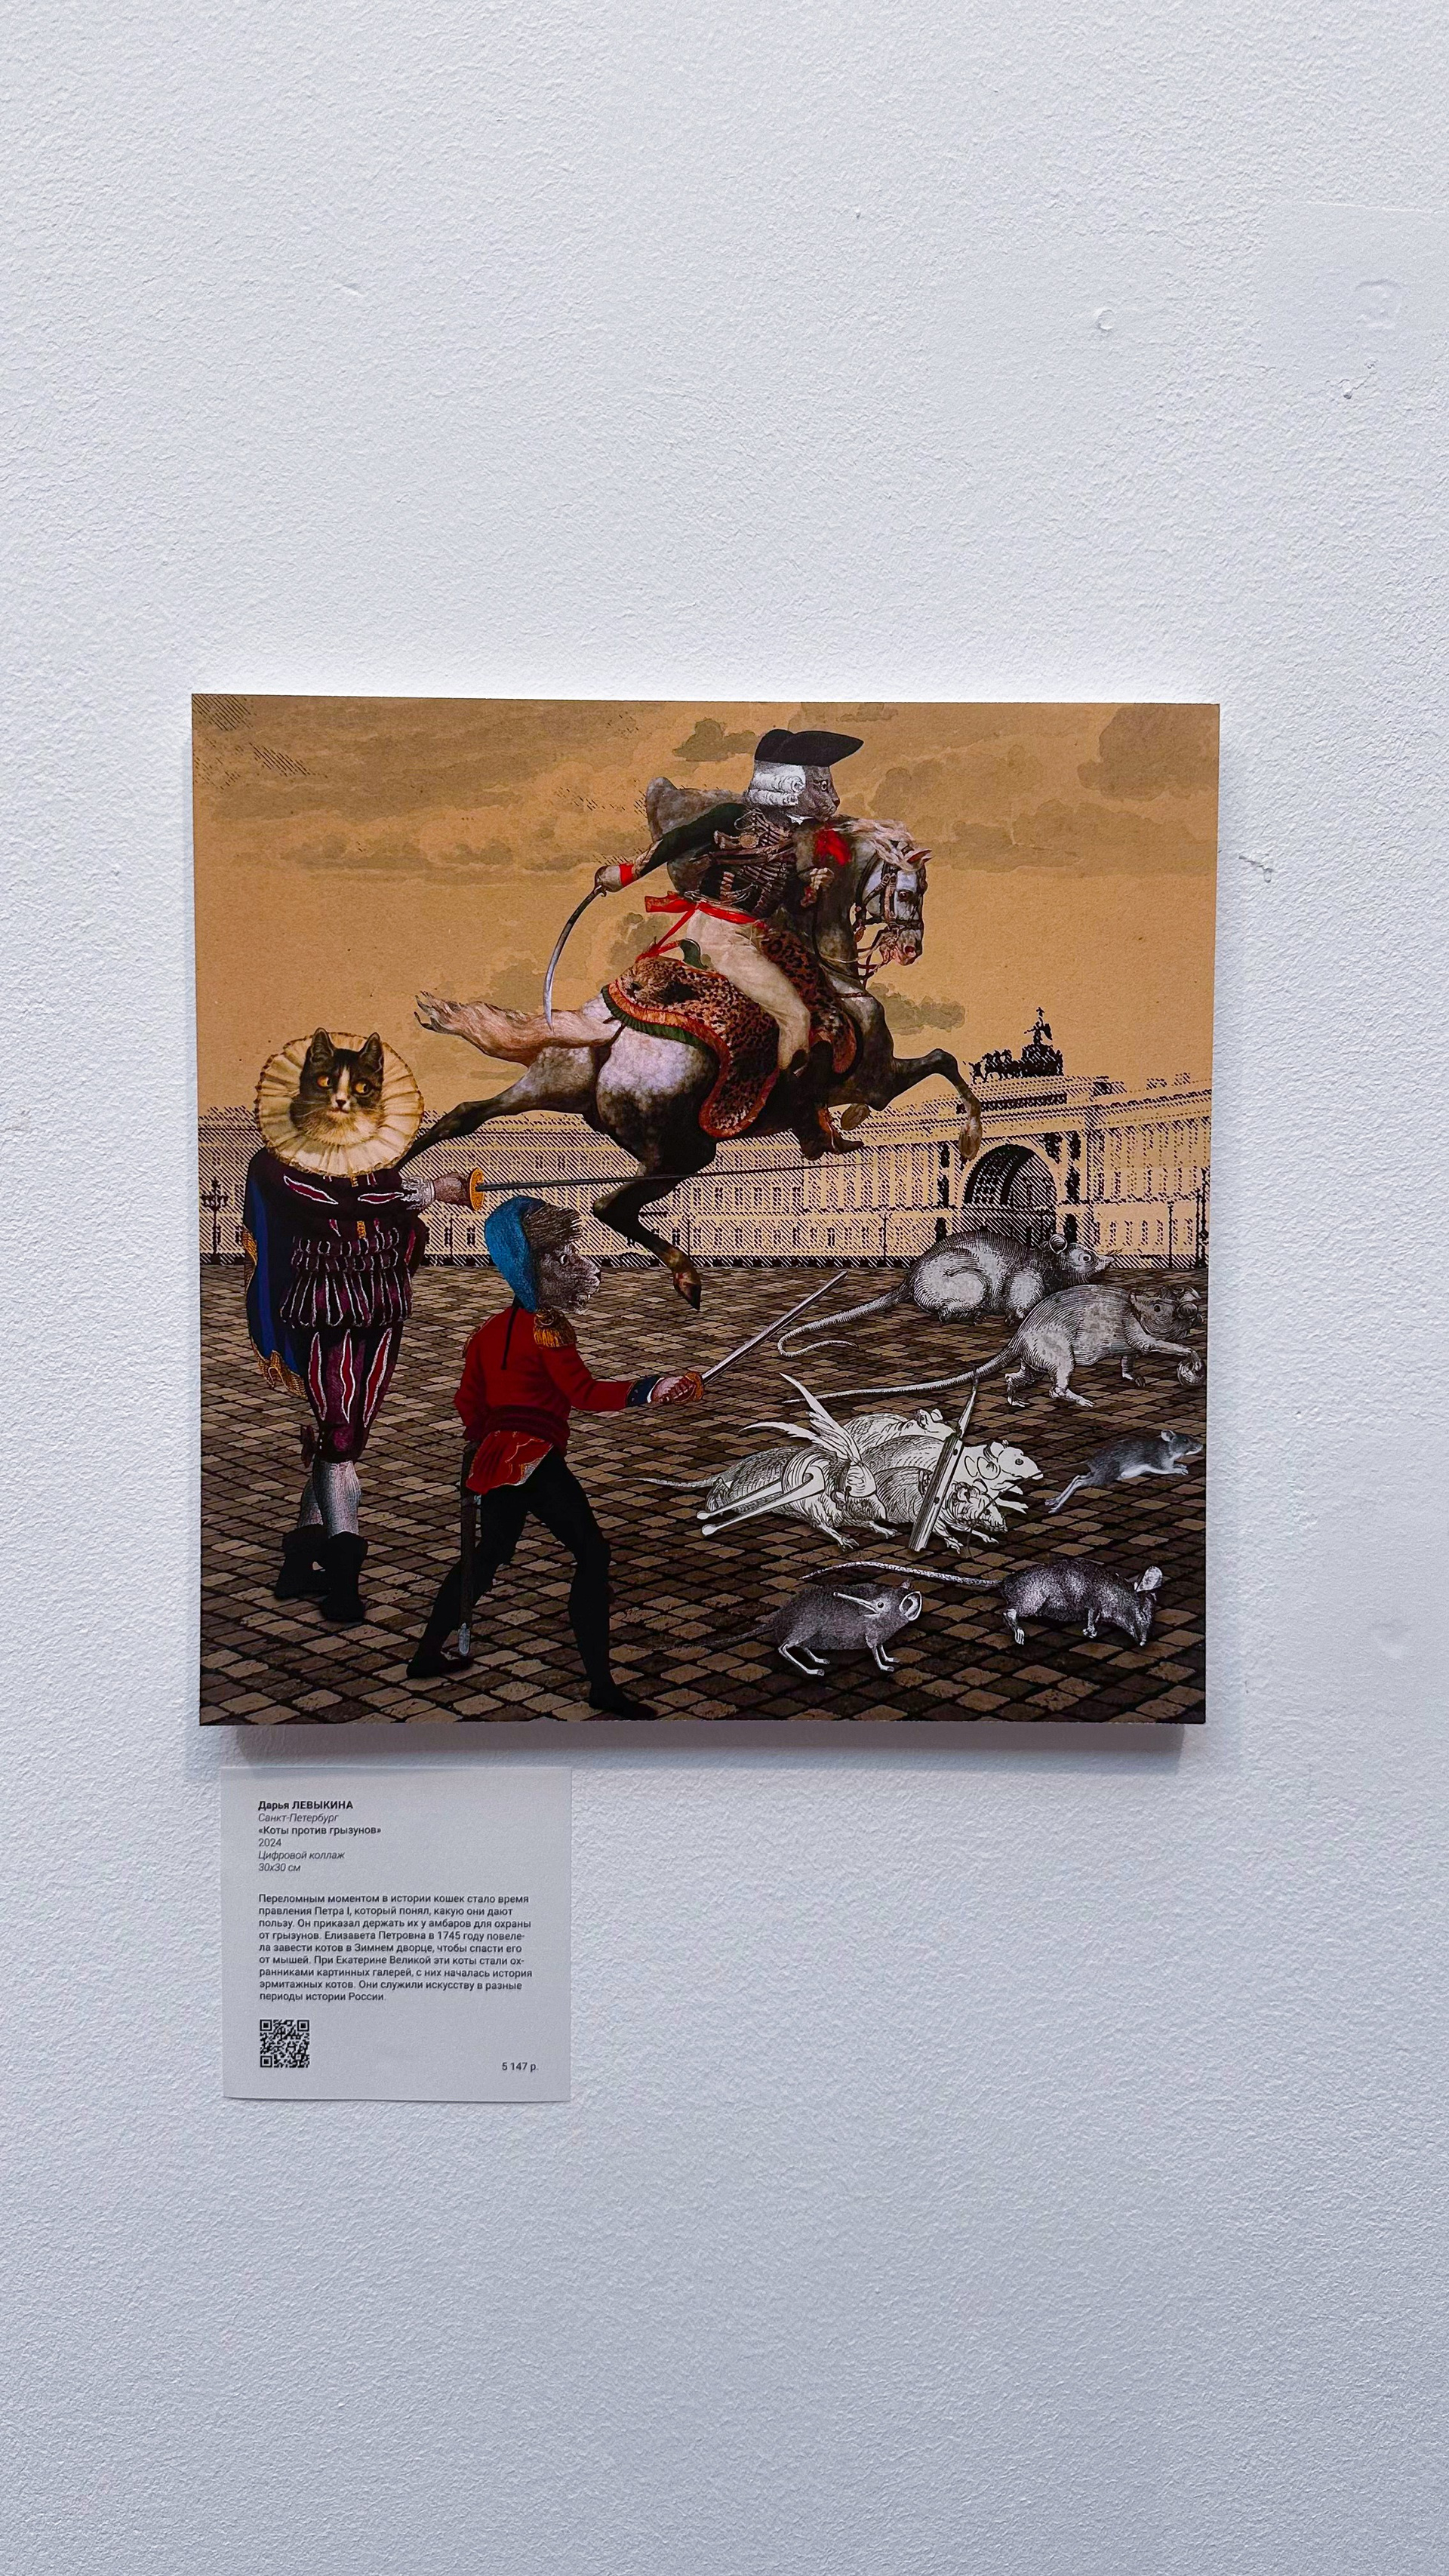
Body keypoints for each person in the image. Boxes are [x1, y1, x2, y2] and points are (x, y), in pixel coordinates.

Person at [406, 1196, 703, 1715]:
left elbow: (467, 1403)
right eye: (563, 1256)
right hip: (537, 1459)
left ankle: (427, 1652)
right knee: (592, 1554)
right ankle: (601, 1686)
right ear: (536, 1267)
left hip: (494, 1459)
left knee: (488, 1556)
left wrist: (484, 1443)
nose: (578, 1263)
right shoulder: (549, 1329)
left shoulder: (487, 1332)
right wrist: (651, 1389)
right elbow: (584, 1394)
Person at [243, 1028, 429, 1625]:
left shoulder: (381, 1164)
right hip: (323, 1306)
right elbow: (330, 1205)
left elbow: (403, 1230)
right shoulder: (277, 1163)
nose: (342, 1100)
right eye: (328, 1087)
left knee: (344, 1438)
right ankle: (344, 1579)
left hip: (382, 1305)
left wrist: (413, 1211)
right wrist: (417, 1197)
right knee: (340, 1434)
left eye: (356, 1090)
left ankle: (299, 1563)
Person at [594, 726, 863, 1073]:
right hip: (719, 935)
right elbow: (678, 840)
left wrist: (808, 886)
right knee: (796, 1016)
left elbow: (783, 899)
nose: (832, 798)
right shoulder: (734, 817)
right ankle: (789, 1095)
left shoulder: (793, 837)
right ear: (791, 785)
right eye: (820, 786)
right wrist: (626, 874)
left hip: (756, 937)